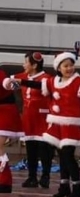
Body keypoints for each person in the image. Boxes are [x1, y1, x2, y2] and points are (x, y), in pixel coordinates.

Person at [8, 52, 80, 197]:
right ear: (59, 68)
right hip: (57, 124)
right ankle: (64, 185)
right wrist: (21, 82)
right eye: (65, 66)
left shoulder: (78, 82)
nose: (69, 68)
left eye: (71, 65)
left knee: (68, 156)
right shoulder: (54, 82)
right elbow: (37, 84)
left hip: (70, 124)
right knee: (62, 156)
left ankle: (77, 186)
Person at [10, 52, 54, 188]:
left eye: (26, 63)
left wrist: (20, 82)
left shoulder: (46, 78)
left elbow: (41, 86)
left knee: (44, 148)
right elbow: (8, 81)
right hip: (29, 117)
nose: (23, 65)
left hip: (43, 118)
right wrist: (8, 82)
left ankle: (45, 175)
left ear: (34, 65)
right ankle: (32, 176)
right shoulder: (22, 76)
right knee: (31, 149)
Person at [0, 68, 24, 193]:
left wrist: (8, 83)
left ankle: (4, 181)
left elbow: (7, 82)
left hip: (5, 111)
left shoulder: (0, 73)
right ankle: (4, 180)